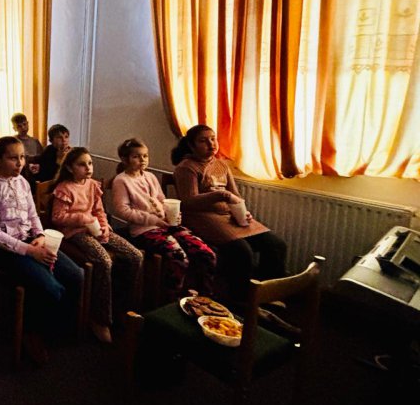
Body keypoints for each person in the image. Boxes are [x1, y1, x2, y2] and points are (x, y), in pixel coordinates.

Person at [0, 137, 84, 364]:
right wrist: (29, 251)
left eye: (22, 157)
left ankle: (59, 325)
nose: (20, 163)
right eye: (13, 158)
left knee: (76, 275)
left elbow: (33, 216)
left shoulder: (22, 182)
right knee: (51, 288)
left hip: (30, 241)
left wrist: (40, 236)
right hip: (3, 250)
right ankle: (31, 331)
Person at [171, 125, 288, 302]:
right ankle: (241, 301)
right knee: (243, 252)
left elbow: (235, 195)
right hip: (202, 217)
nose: (211, 144)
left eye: (213, 139)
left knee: (276, 245)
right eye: (203, 141)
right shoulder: (186, 168)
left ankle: (265, 295)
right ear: (191, 145)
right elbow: (189, 201)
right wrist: (221, 195)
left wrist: (243, 212)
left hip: (229, 216)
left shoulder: (221, 165)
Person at [50, 147, 142, 344]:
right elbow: (57, 217)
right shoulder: (65, 188)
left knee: (135, 256)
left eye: (90, 163)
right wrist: (82, 218)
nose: (88, 168)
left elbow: (99, 210)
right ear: (70, 167)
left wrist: (104, 226)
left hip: (96, 229)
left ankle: (121, 306)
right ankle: (100, 318)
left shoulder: (92, 185)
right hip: (74, 233)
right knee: (104, 261)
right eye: (82, 164)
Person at [112, 137, 216, 297]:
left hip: (166, 225)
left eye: (145, 156)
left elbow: (163, 201)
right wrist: (154, 220)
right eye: (136, 156)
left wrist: (174, 214)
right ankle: (172, 298)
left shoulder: (150, 177)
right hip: (144, 230)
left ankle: (204, 296)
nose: (142, 160)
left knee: (205, 252)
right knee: (179, 258)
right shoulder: (121, 180)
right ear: (125, 159)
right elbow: (123, 211)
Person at [11, 112, 43, 178]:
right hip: (20, 173)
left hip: (35, 173)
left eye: (24, 124)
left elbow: (42, 157)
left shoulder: (35, 141)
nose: (23, 127)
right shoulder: (13, 142)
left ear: (28, 124)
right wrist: (28, 165)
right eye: (19, 126)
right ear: (14, 128)